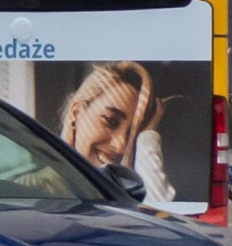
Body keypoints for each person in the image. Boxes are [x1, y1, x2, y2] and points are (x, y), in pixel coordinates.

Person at [59, 61, 176, 204]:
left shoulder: (124, 194)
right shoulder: (35, 186)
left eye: (133, 133)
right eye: (111, 121)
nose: (121, 146)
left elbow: (159, 217)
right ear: (76, 113)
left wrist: (147, 138)